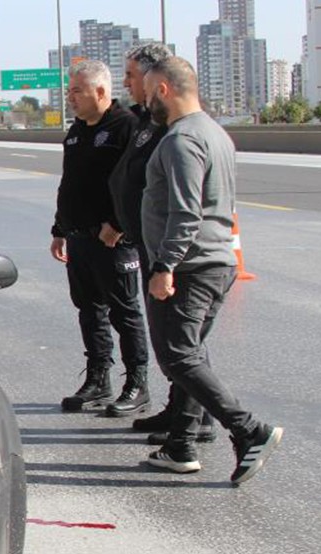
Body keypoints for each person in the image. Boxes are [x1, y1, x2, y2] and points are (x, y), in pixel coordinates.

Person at [140, 56, 283, 485]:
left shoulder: (181, 139)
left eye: (147, 93)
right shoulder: (215, 133)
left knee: (178, 357)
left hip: (190, 267)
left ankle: (249, 430)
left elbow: (187, 213)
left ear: (163, 89)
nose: (145, 102)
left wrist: (165, 265)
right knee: (192, 354)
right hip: (215, 262)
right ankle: (180, 446)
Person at [107, 44, 218, 444]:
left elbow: (183, 203)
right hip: (150, 243)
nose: (127, 83)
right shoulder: (147, 121)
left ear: (159, 81)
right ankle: (181, 412)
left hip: (176, 253)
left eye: (132, 76)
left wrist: (165, 263)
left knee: (183, 346)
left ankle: (204, 422)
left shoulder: (175, 130)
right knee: (176, 344)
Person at [48, 59, 148, 416]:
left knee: (125, 313)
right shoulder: (76, 131)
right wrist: (59, 229)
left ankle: (137, 383)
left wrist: (117, 224)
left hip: (113, 240)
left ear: (101, 91)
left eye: (77, 91)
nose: (70, 98)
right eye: (69, 91)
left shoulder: (126, 127)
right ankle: (98, 379)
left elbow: (137, 184)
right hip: (79, 237)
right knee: (89, 311)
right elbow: (70, 184)